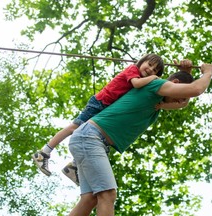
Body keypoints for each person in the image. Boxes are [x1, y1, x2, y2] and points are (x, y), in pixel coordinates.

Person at [46, 60, 212, 216]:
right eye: (179, 96)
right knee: (107, 194)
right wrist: (208, 73)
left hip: (89, 139)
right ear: (174, 83)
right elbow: (195, 90)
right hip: (90, 137)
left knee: (90, 198)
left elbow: (185, 100)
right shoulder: (155, 85)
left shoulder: (157, 103)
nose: (180, 102)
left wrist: (185, 73)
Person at [32, 53, 165, 184]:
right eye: (150, 64)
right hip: (100, 103)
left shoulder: (145, 80)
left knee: (91, 135)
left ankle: (73, 167)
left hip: (107, 109)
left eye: (155, 70)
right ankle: (44, 153)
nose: (151, 70)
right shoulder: (133, 69)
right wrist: (154, 77)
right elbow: (136, 84)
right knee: (75, 127)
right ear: (142, 61)